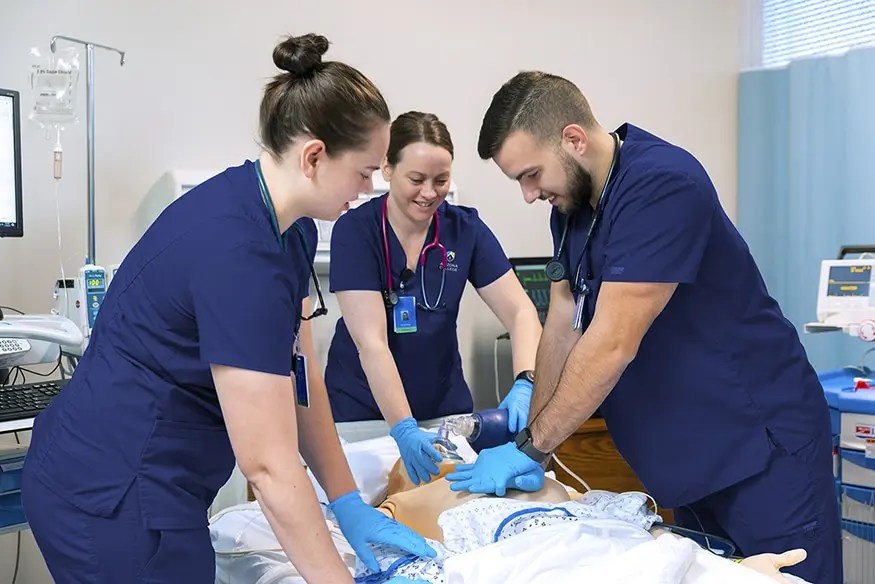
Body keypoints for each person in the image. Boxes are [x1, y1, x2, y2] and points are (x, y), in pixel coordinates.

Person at [21, 33, 433, 584]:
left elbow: (301, 377)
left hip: (152, 480)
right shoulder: (239, 253)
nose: (370, 188)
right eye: (364, 172)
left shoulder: (290, 231)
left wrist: (346, 501)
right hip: (109, 493)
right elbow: (266, 467)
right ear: (314, 157)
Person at [445, 70, 841, 584]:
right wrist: (533, 444)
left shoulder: (661, 185)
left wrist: (532, 448)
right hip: (689, 456)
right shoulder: (572, 209)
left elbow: (612, 343)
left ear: (573, 139)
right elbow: (561, 324)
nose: (528, 193)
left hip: (759, 446)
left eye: (532, 174)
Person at [325, 111, 542, 485]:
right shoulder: (355, 232)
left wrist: (526, 381)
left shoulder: (465, 229)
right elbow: (371, 343)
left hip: (445, 414)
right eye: (416, 179)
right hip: (363, 415)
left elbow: (521, 311)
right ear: (387, 168)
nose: (429, 193)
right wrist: (404, 428)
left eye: (441, 180)